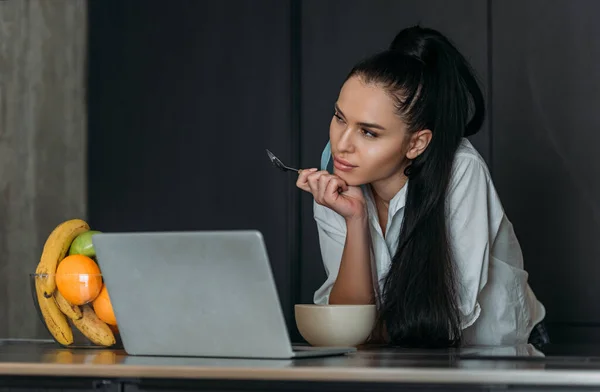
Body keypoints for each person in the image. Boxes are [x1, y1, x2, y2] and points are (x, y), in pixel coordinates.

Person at [296, 25, 547, 348]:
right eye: (339, 118)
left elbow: (444, 321)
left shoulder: (461, 170)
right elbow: (346, 328)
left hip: (497, 350)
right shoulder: (339, 182)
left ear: (416, 144)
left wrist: (366, 329)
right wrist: (355, 219)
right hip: (398, 353)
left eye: (369, 132)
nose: (342, 145)